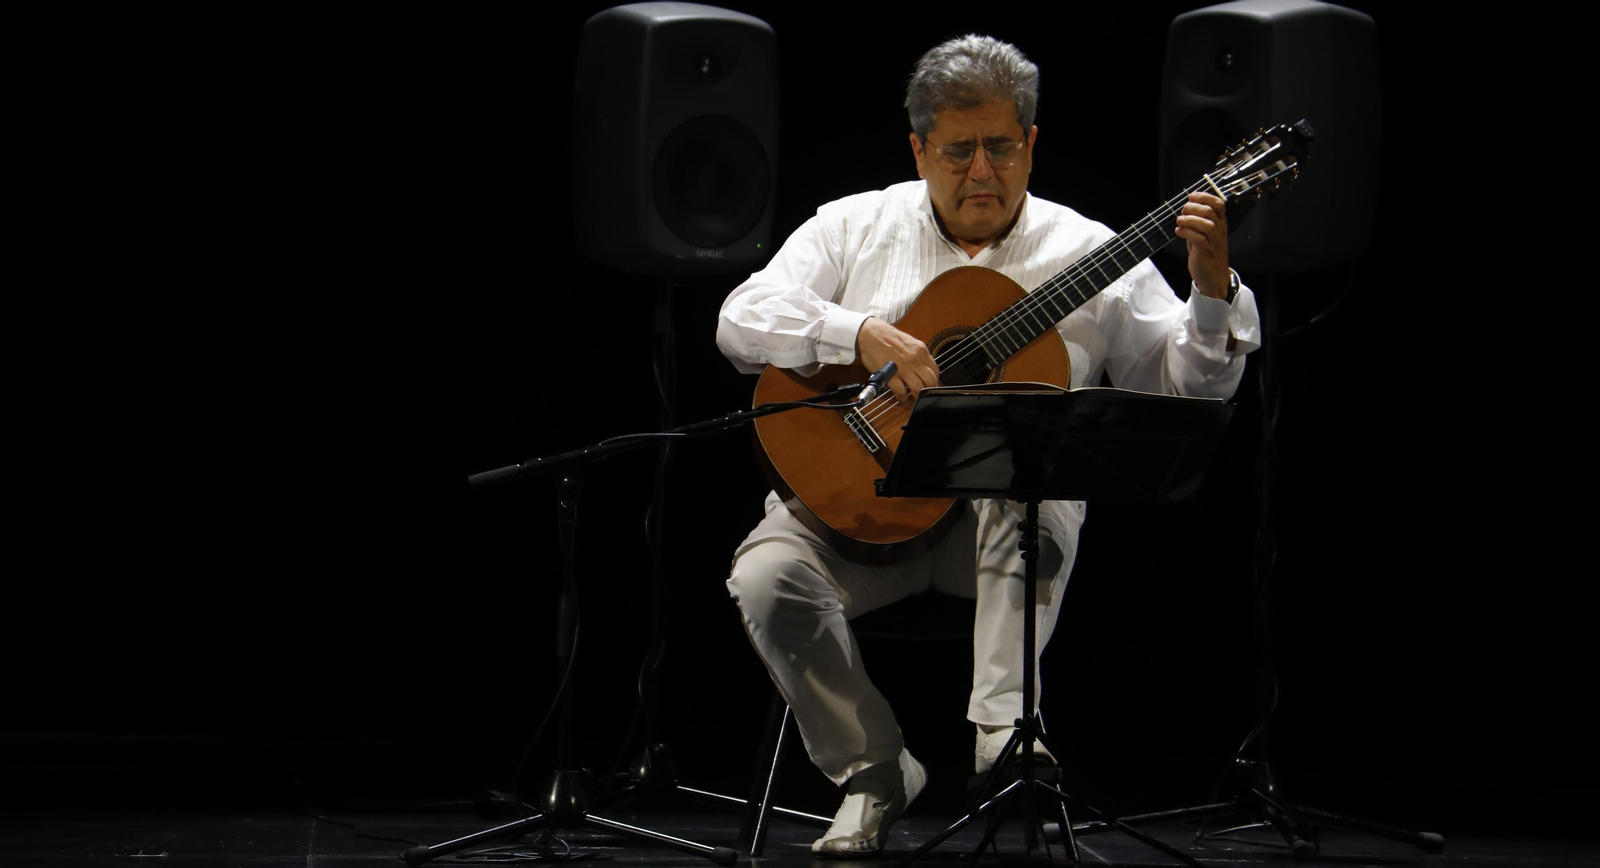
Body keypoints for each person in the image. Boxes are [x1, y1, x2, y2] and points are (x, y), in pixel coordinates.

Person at [717, 34, 1261, 857]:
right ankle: (874, 771)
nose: (982, 172)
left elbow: (1185, 390)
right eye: (959, 150)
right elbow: (738, 320)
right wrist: (858, 332)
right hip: (866, 511)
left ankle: (1004, 743)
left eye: (1002, 148)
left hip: (999, 539)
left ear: (1031, 144)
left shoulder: (1086, 249)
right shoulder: (856, 225)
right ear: (919, 149)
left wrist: (1212, 291)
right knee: (764, 577)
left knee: (1026, 461)